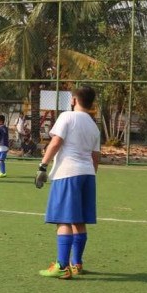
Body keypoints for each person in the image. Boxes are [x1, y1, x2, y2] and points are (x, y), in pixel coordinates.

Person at [35, 85, 101, 279]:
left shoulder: (67, 116)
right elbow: (96, 156)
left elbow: (56, 142)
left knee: (63, 219)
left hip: (67, 173)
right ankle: (76, 263)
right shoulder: (93, 124)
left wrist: (42, 166)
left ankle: (62, 266)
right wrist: (89, 174)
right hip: (88, 175)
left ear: (73, 100)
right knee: (79, 220)